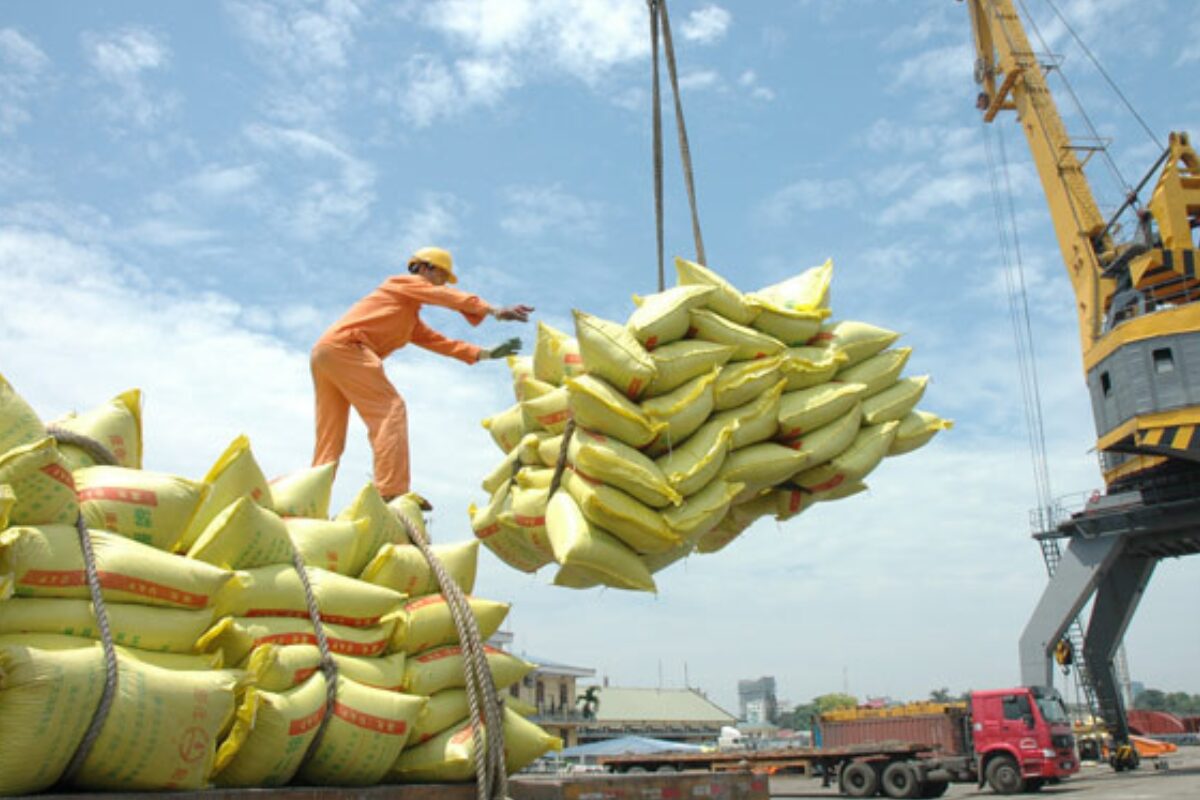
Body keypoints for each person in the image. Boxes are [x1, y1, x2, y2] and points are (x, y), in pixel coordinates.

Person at [311, 246, 533, 501]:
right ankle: (391, 492)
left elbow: (441, 343)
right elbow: (442, 296)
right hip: (346, 349)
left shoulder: (408, 318)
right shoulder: (401, 283)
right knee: (390, 409)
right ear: (426, 267)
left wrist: (485, 353)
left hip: (326, 353)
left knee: (331, 438)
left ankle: (310, 497)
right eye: (441, 276)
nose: (442, 283)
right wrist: (493, 310)